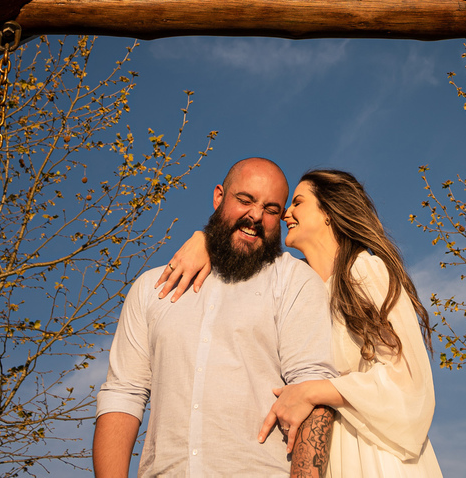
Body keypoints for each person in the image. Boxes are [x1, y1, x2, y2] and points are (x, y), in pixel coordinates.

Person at [159, 168, 443, 477]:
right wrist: (203, 240)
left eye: (297, 202)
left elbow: (408, 383)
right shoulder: (293, 286)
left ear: (328, 213)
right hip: (320, 455)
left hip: (374, 452)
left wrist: (313, 391)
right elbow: (241, 253)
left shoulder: (365, 271)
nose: (285, 213)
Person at [93, 157, 339, 477]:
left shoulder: (294, 281)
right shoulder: (151, 289)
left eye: (271, 209)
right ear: (219, 197)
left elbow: (312, 389)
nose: (255, 216)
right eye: (245, 200)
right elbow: (123, 394)